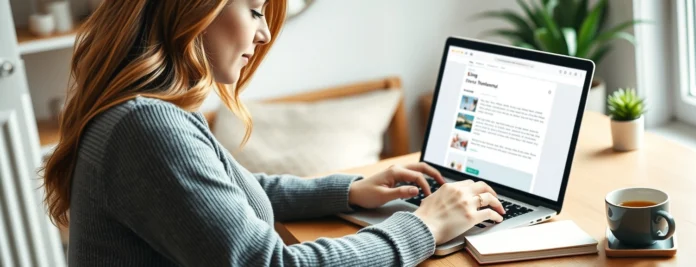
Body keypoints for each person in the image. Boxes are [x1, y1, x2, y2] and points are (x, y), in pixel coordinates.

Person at [41, 1, 505, 266]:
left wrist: (350, 190)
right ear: (196, 7)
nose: (264, 35)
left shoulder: (140, 115)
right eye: (255, 10)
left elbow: (227, 194)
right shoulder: (146, 128)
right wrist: (424, 226)